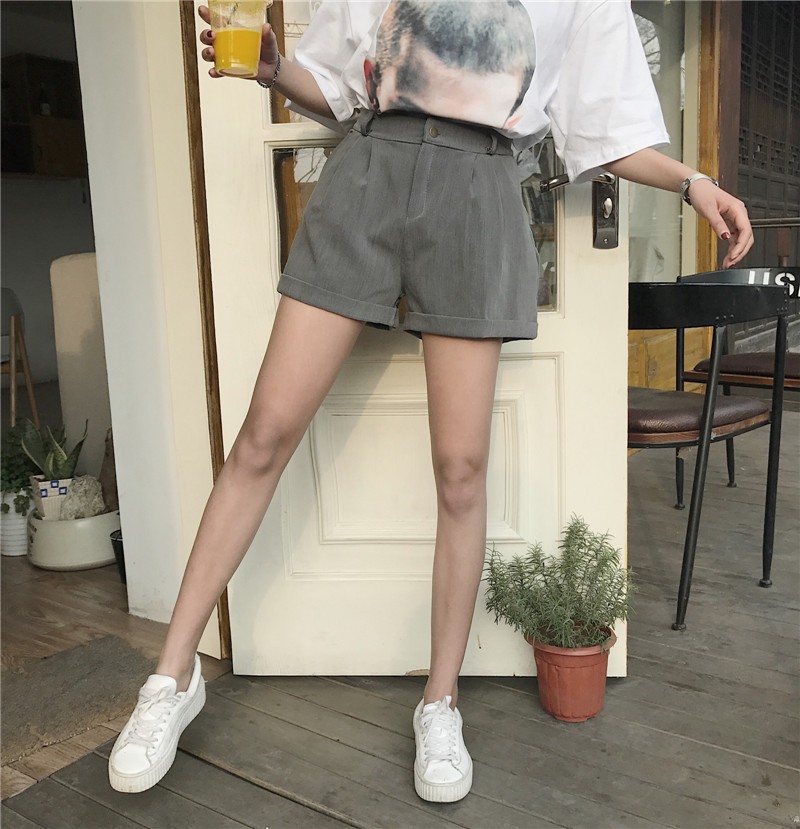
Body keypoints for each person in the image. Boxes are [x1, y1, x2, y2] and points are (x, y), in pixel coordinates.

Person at [108, 0, 753, 804]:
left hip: (482, 194)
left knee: (461, 468)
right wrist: (275, 70)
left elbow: (607, 130)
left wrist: (694, 182)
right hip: (367, 179)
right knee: (264, 433)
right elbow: (339, 90)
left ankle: (439, 701)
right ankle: (171, 678)